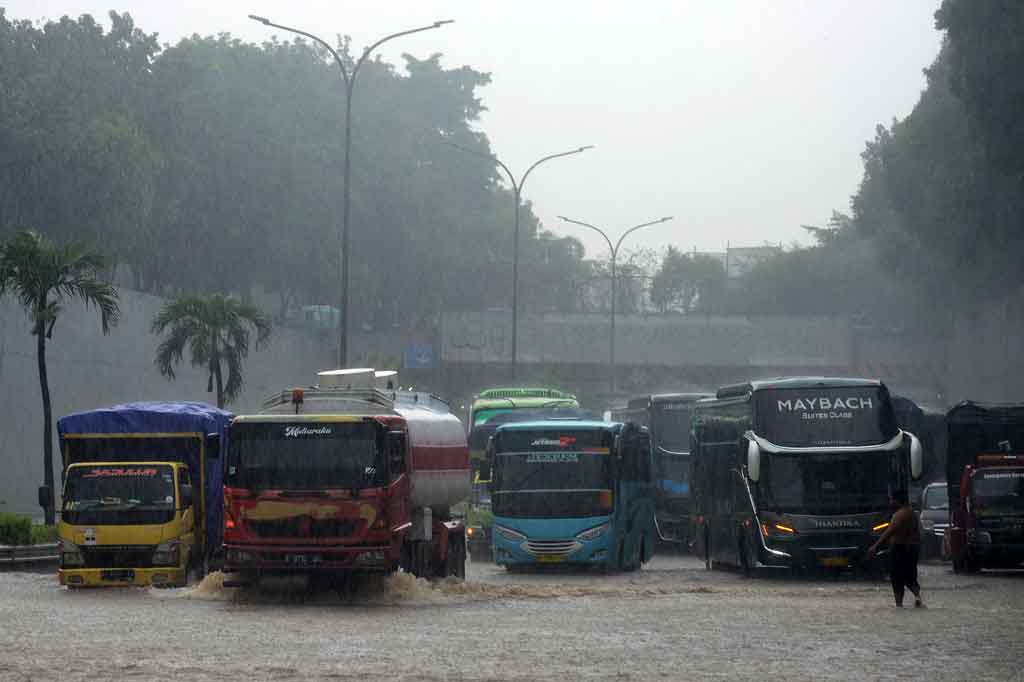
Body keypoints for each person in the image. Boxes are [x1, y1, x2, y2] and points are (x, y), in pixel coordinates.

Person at [868, 488, 924, 608]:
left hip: (899, 548)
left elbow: (890, 531)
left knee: (897, 577)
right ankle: (918, 597)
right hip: (913, 548)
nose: (890, 502)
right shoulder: (912, 513)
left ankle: (899, 605)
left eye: (891, 500)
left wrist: (875, 546)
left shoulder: (899, 515)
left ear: (897, 501)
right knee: (910, 575)